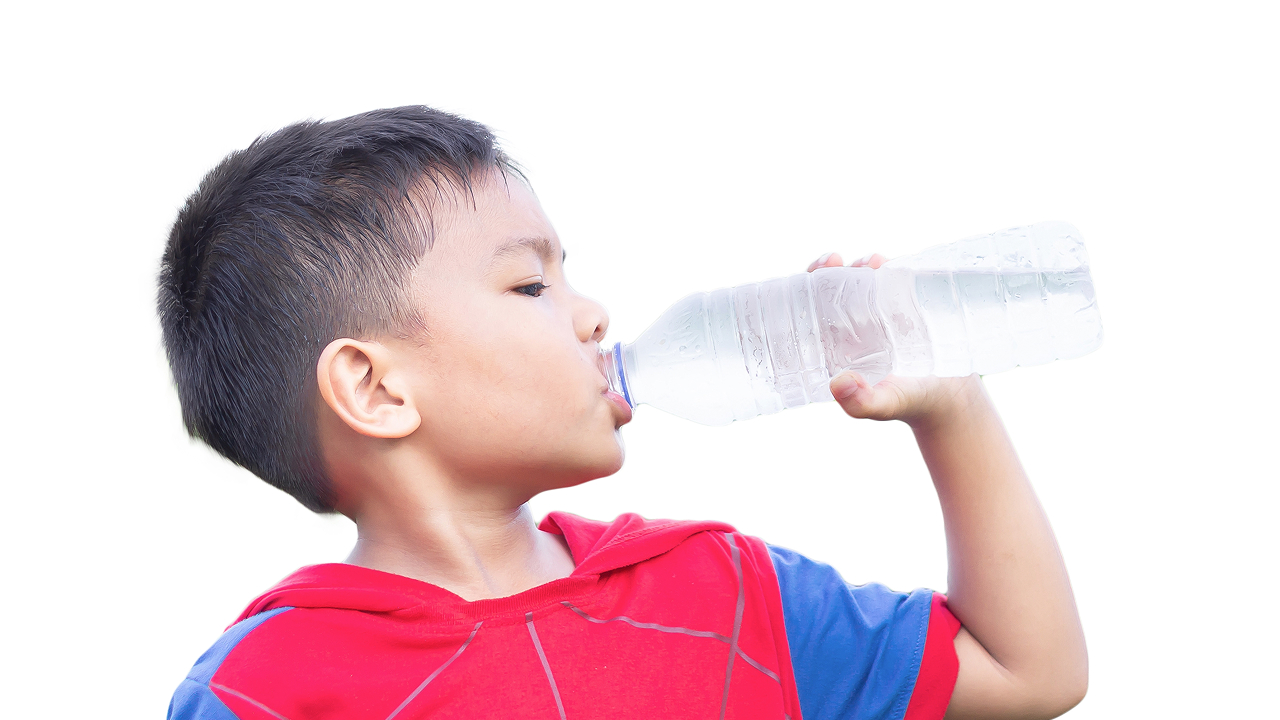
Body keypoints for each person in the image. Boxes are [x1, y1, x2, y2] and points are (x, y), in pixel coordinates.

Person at [160, 106, 1087, 720]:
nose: (593, 314)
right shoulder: (259, 691)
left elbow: (1029, 674)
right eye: (528, 283)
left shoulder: (720, 591)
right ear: (376, 389)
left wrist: (952, 406)